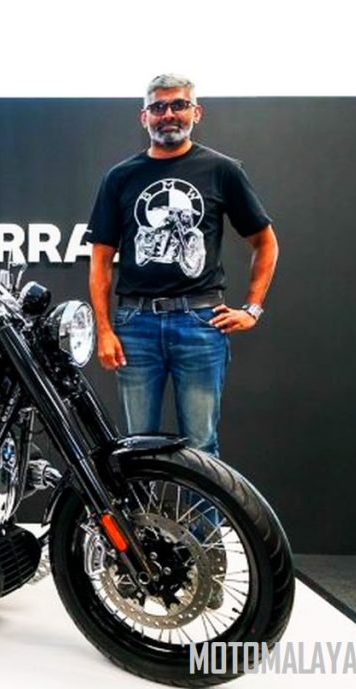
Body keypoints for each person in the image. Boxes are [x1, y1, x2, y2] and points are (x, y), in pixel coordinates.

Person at [87, 73, 278, 459]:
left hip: (200, 322)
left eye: (178, 104)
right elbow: (101, 259)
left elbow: (266, 243)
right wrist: (104, 330)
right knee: (136, 447)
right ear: (145, 117)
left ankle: (199, 505)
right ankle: (140, 505)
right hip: (135, 325)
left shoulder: (222, 170)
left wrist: (252, 309)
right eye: (158, 107)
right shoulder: (120, 177)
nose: (168, 114)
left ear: (196, 112)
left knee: (201, 445)